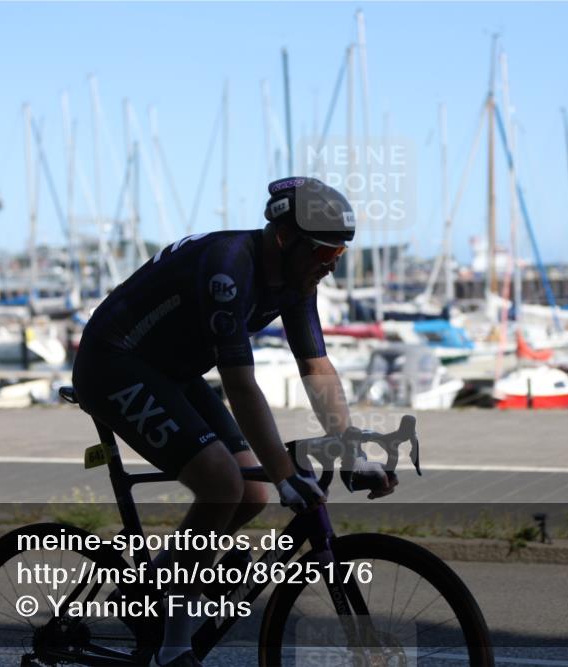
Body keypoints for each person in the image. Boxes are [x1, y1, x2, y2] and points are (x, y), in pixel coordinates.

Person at [72, 177, 396, 667]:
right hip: (112, 362)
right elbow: (241, 385)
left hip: (169, 370)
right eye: (324, 252)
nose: (331, 266)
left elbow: (316, 367)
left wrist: (350, 450)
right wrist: (288, 475)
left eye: (340, 254)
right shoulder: (228, 269)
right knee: (223, 482)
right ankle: (173, 647)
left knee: (252, 492)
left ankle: (145, 593)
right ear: (286, 238)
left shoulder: (296, 277)